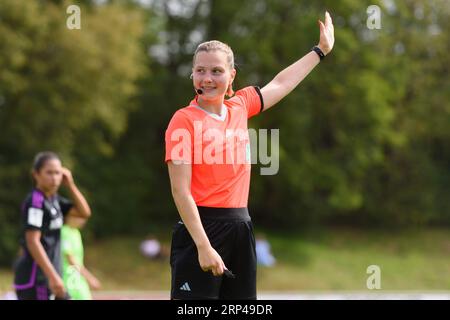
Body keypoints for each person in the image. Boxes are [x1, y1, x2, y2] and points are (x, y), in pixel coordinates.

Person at [165, 12, 334, 299]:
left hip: (241, 227)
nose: (207, 78)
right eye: (201, 71)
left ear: (231, 76)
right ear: (192, 74)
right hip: (200, 230)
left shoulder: (240, 106)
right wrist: (204, 246)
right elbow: (181, 192)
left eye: (216, 71)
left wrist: (320, 51)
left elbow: (281, 84)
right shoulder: (183, 120)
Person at [13, 151, 92, 300]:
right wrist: (53, 276)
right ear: (36, 174)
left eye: (57, 173)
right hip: (37, 278)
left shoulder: (55, 200)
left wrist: (70, 184)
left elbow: (84, 212)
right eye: (49, 173)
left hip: (52, 277)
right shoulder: (35, 202)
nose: (54, 178)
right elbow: (33, 241)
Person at [61, 215, 101, 300]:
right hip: (68, 279)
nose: (83, 220)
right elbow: (70, 259)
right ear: (70, 216)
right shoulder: (64, 232)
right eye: (80, 217)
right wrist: (89, 278)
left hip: (78, 278)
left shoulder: (76, 232)